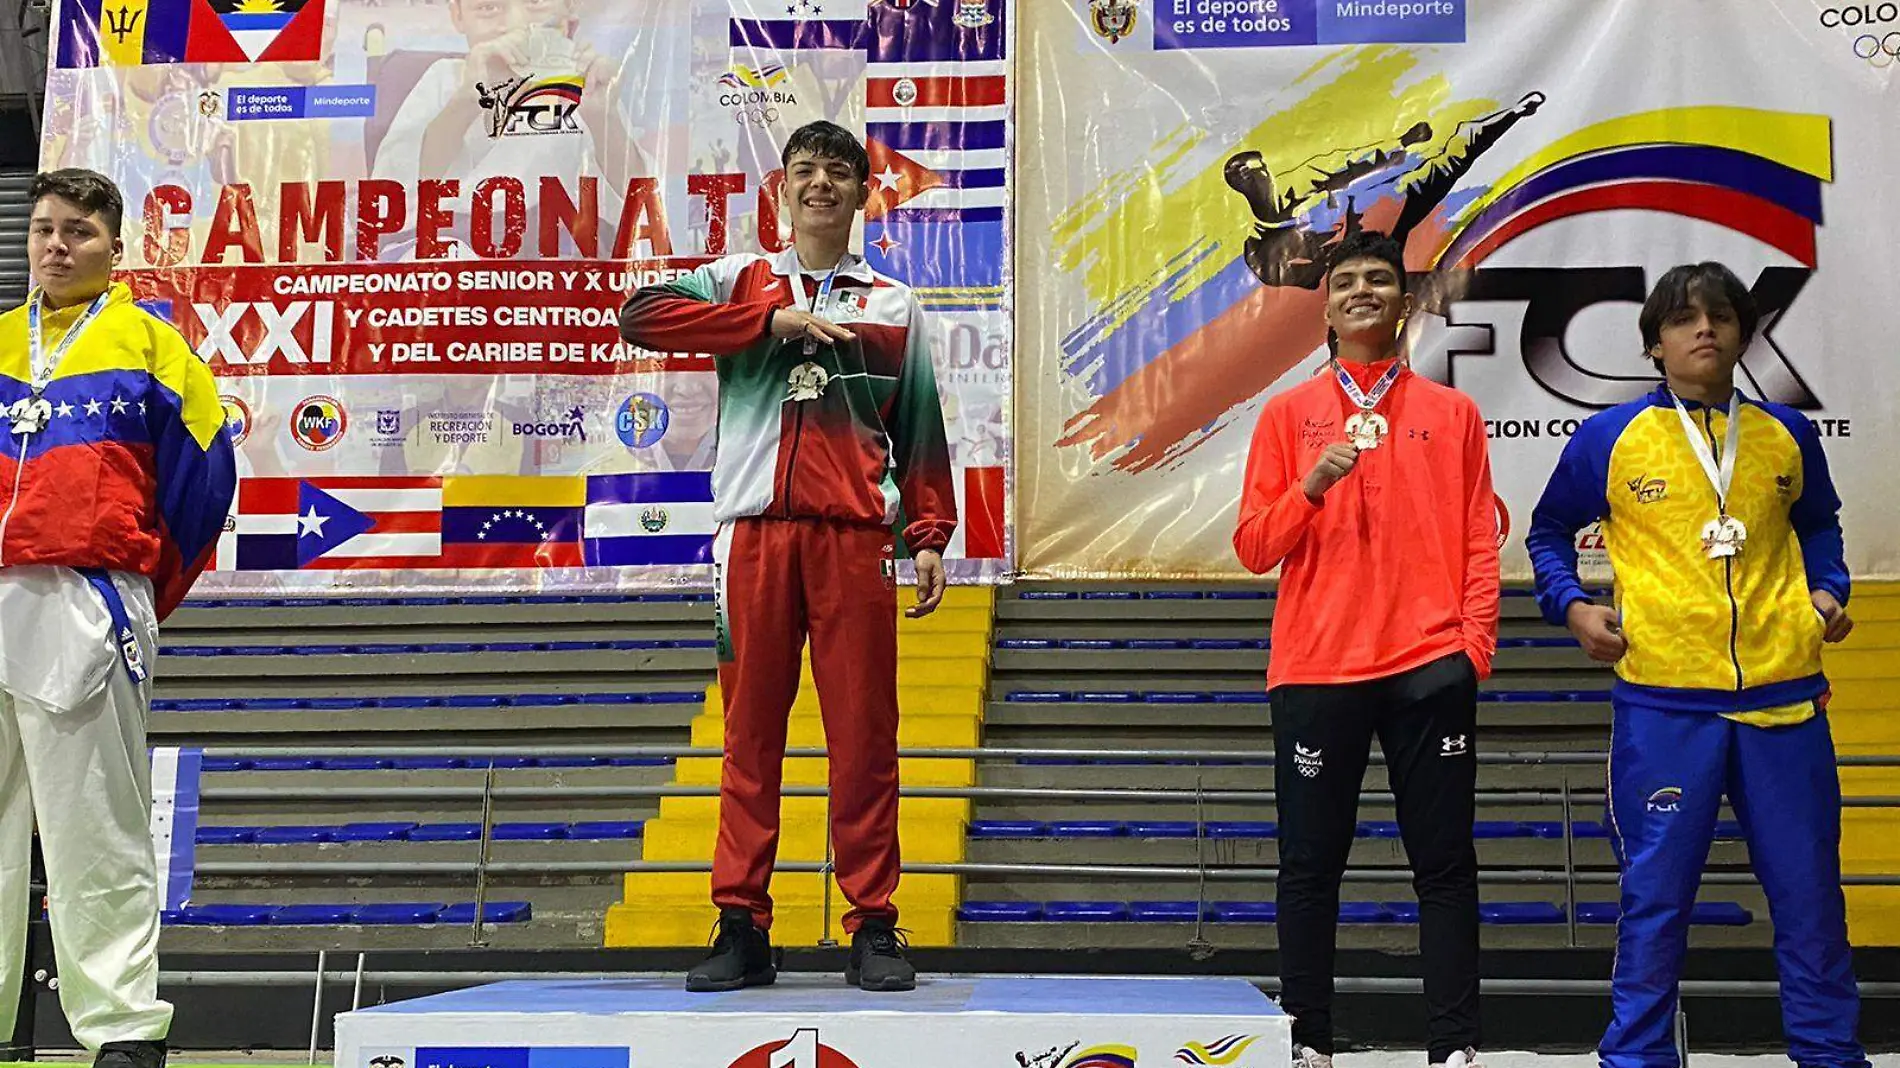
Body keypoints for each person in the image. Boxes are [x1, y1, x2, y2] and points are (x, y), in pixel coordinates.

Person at [618, 121, 957, 994]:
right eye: (804, 170)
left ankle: (874, 925)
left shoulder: (892, 303)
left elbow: (919, 424)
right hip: (753, 538)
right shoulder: (739, 277)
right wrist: (767, 321)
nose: (820, 185)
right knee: (749, 736)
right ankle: (741, 924)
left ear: (860, 193)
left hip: (852, 540)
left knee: (865, 735)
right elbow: (640, 316)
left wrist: (926, 533)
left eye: (837, 173)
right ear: (780, 189)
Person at [1526, 263, 1864, 1068]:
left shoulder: (1788, 434)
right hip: (1665, 707)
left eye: (1720, 316)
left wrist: (1827, 591)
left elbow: (1821, 526)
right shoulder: (1610, 438)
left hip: (1785, 703)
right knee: (1655, 902)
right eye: (1684, 319)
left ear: (1745, 333)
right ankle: (1638, 1059)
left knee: (1811, 900)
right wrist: (1571, 606)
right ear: (1655, 343)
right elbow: (1546, 533)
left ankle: (1829, 1056)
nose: (1704, 329)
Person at [1233, 230, 1497, 1068]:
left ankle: (1453, 1046)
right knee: (1310, 868)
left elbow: (1479, 540)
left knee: (1445, 865)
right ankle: (1310, 1040)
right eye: (1345, 280)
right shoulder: (1288, 415)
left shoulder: (1453, 414)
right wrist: (1310, 487)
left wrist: (1474, 650)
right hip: (1317, 668)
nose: (1361, 291)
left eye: (1379, 279)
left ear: (1403, 299)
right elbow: (1252, 547)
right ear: (1328, 304)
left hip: (1429, 666)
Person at [0, 170, 236, 1068]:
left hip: (83, 597)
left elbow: (205, 476)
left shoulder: (150, 342)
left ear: (115, 246)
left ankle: (124, 1028)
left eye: (78, 233)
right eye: (44, 230)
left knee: (93, 825)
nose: (56, 246)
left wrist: (132, 583)